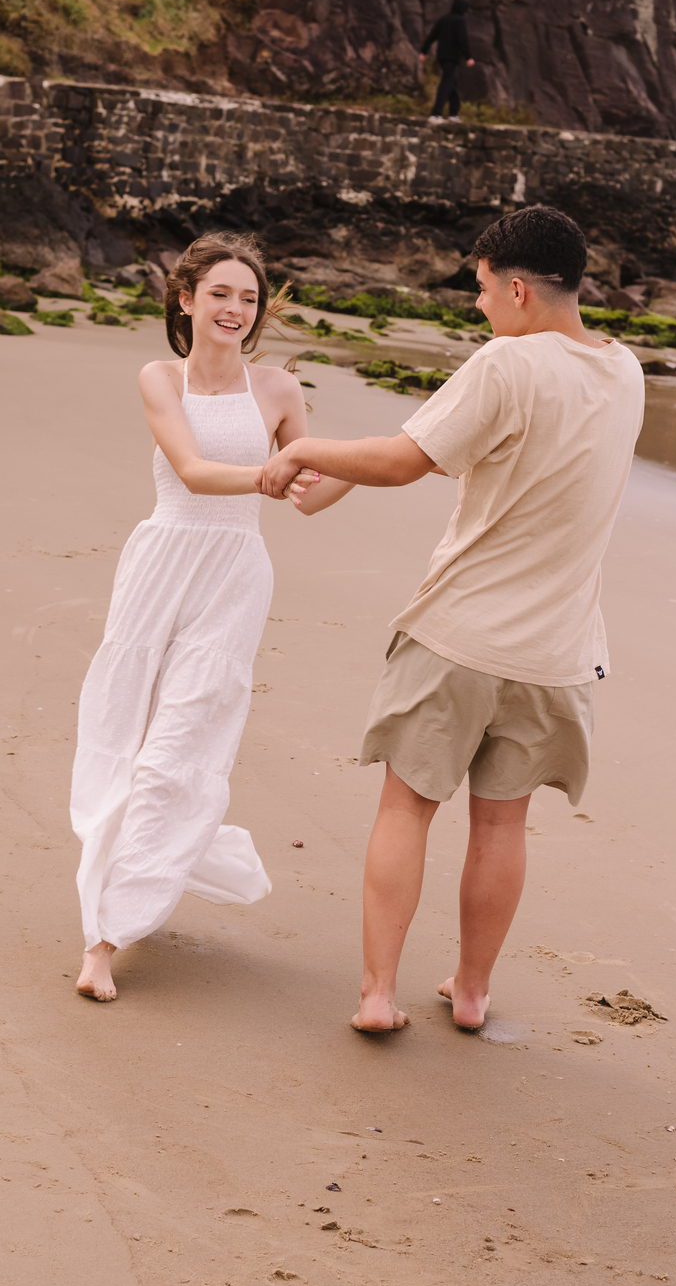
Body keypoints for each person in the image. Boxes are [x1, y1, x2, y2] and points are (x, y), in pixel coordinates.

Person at [259, 205, 645, 1033]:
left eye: (479, 290)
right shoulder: (627, 372)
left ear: (516, 288)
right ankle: (471, 994)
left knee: (407, 809)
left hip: (460, 636)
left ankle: (375, 996)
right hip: (558, 652)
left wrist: (303, 451)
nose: (477, 308)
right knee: (503, 825)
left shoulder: (507, 364)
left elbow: (407, 460)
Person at [71, 233, 343, 1001]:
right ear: (185, 299)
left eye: (248, 298)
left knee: (179, 747)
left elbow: (312, 494)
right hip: (161, 565)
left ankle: (106, 939)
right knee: (126, 738)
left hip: (234, 577)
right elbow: (191, 471)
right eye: (220, 294)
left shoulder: (280, 393)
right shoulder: (161, 377)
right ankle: (122, 888)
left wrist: (366, 462)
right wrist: (273, 472)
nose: (235, 309)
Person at [419, 0, 475, 122]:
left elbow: (432, 35)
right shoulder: (459, 21)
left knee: (453, 83)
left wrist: (424, 51)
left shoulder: (443, 19)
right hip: (452, 57)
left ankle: (453, 113)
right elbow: (463, 40)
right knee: (446, 84)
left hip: (442, 57)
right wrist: (468, 57)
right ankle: (436, 113)